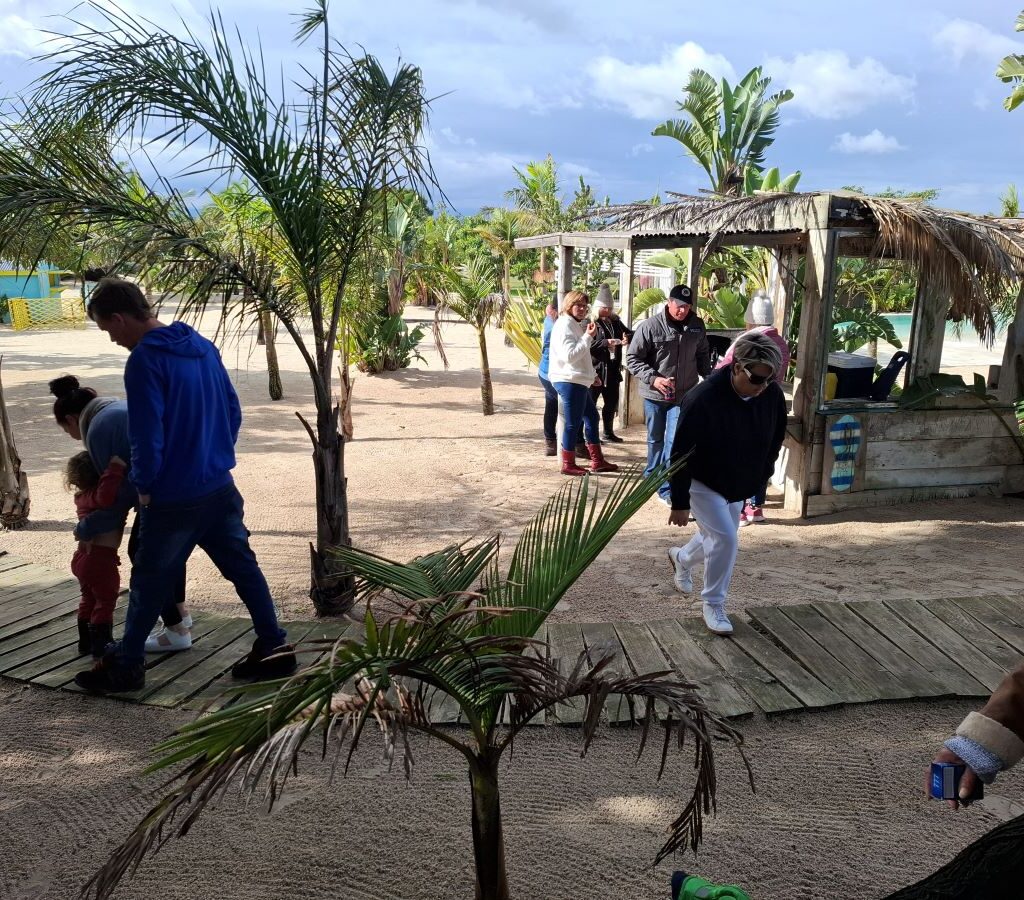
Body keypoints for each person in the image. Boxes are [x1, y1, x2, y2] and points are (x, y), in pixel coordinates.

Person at [72, 278, 296, 692]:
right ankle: (274, 646)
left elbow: (146, 435)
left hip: (174, 495)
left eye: (108, 330)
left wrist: (144, 483)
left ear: (119, 319)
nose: (113, 340)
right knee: (244, 569)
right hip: (218, 486)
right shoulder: (201, 345)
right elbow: (232, 409)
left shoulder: (144, 360)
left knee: (149, 578)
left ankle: (128, 665)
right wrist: (215, 457)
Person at [49, 375, 193, 651]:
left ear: (70, 418)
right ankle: (179, 617)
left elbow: (113, 501)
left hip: (163, 496)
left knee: (144, 556)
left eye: (65, 429)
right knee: (167, 553)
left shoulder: (98, 430)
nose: (71, 436)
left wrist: (85, 527)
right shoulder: (117, 409)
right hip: (187, 482)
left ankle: (174, 630)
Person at [665, 333, 787, 636]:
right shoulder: (702, 398)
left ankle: (682, 558)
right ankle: (714, 603)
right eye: (757, 379)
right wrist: (679, 502)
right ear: (736, 367)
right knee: (727, 540)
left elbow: (775, 437)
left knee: (718, 536)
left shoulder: (770, 393)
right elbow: (679, 452)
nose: (762, 388)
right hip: (702, 480)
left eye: (769, 381)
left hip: (739, 480)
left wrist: (762, 475)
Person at [625, 283, 710, 506]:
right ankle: (651, 476)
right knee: (655, 440)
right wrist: (654, 378)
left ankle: (665, 487)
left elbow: (702, 355)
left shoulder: (696, 326)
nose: (682, 310)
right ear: (669, 303)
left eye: (687, 306)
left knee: (674, 443)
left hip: (683, 396)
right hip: (655, 395)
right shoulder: (650, 326)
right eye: (678, 305)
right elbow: (632, 358)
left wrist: (710, 379)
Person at [714, 290, 791, 526]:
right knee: (762, 453)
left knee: (740, 455)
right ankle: (756, 507)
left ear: (751, 319)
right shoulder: (782, 344)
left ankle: (737, 506)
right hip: (768, 407)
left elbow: (724, 370)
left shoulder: (747, 342)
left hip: (744, 406)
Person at [548, 290, 619, 477]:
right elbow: (570, 356)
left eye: (584, 306)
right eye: (577, 305)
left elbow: (582, 356)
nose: (581, 309)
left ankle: (597, 461)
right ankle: (568, 463)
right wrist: (588, 337)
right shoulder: (565, 325)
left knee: (592, 418)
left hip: (578, 379)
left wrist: (592, 374)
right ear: (568, 306)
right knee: (572, 423)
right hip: (569, 380)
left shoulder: (573, 324)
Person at [65, 451, 127, 658]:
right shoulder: (96, 497)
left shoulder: (81, 497)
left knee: (88, 598)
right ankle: (102, 644)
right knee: (106, 601)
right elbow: (106, 496)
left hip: (82, 558)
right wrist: (115, 469)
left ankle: (85, 642)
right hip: (100, 559)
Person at [588, 284, 633, 443]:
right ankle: (591, 436)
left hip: (613, 369)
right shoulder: (591, 323)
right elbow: (588, 345)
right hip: (597, 369)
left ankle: (608, 431)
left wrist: (628, 337)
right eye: (603, 308)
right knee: (591, 405)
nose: (606, 311)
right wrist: (606, 342)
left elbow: (629, 332)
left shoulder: (615, 322)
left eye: (609, 308)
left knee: (611, 402)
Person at [537, 299, 559, 456]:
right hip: (551, 372)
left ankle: (550, 441)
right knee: (555, 405)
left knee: (551, 405)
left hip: (547, 370)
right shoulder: (555, 326)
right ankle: (552, 441)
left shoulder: (549, 319)